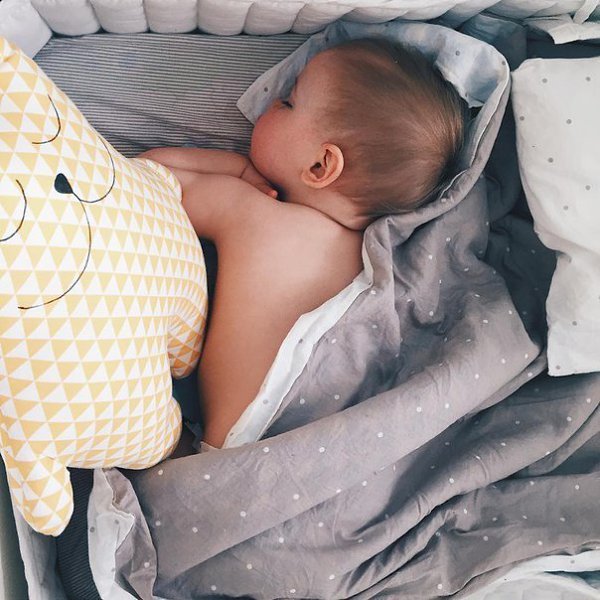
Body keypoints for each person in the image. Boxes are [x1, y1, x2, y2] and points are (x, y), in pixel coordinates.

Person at [138, 37, 467, 450]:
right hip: (335, 438)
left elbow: (149, 178)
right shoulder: (378, 259)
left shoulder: (256, 215)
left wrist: (237, 170)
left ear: (320, 165)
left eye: (288, 103)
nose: (272, 101)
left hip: (242, 444)